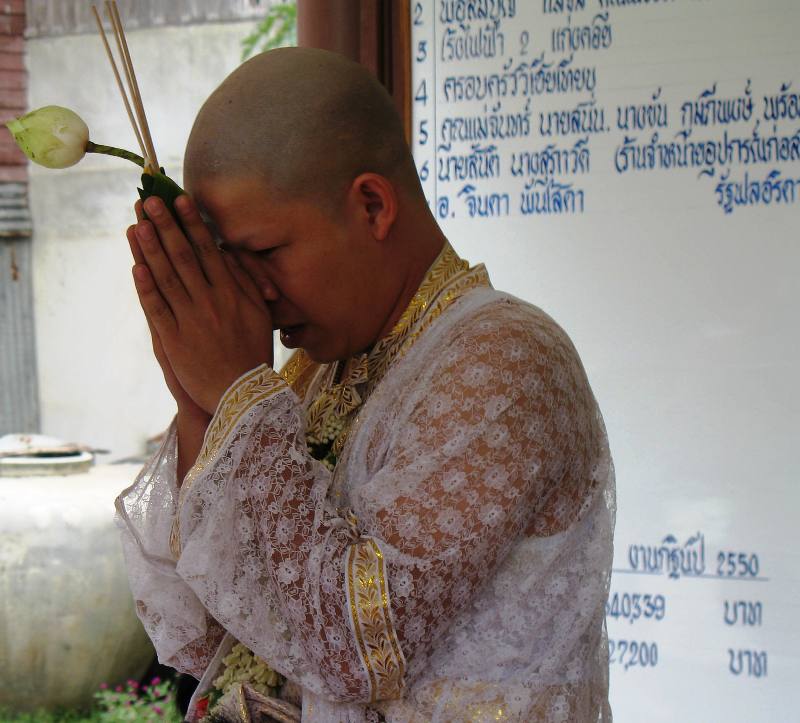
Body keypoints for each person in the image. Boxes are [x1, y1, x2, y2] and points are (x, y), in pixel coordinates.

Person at [115, 47, 615, 722]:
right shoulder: (316, 372)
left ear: (373, 206)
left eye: (264, 253)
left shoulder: (506, 357)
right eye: (230, 263)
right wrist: (200, 405)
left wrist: (239, 395)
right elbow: (205, 636)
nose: (252, 294)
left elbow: (353, 650)